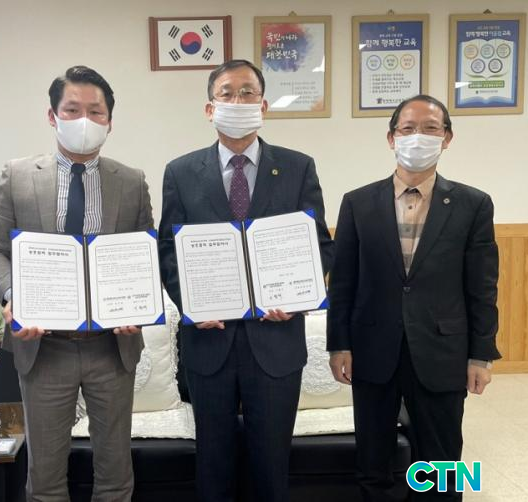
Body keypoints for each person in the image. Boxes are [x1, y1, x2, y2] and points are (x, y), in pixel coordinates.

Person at [158, 59, 334, 502]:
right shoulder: (180, 171)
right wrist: (192, 304)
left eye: (247, 92)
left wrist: (298, 296)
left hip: (276, 341)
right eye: (227, 93)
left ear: (263, 105)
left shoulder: (298, 167)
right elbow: (168, 250)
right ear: (209, 108)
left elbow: (319, 245)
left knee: (271, 463)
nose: (237, 101)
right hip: (208, 342)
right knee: (213, 464)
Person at [0, 65, 152, 502]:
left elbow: (142, 255)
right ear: (52, 115)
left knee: (115, 472)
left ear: (110, 121)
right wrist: (14, 296)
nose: (84, 120)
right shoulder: (17, 175)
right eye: (72, 110)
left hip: (111, 346)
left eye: (96, 111)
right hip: (44, 347)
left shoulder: (131, 181)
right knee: (45, 476)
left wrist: (137, 306)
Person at [327, 95, 501, 501]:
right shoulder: (357, 202)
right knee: (373, 463)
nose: (417, 136)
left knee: (443, 465)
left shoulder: (473, 204)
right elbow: (343, 282)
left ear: (447, 138)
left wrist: (481, 355)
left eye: (430, 128)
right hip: (372, 350)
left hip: (443, 351)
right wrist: (339, 345)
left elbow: (482, 287)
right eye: (407, 128)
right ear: (391, 138)